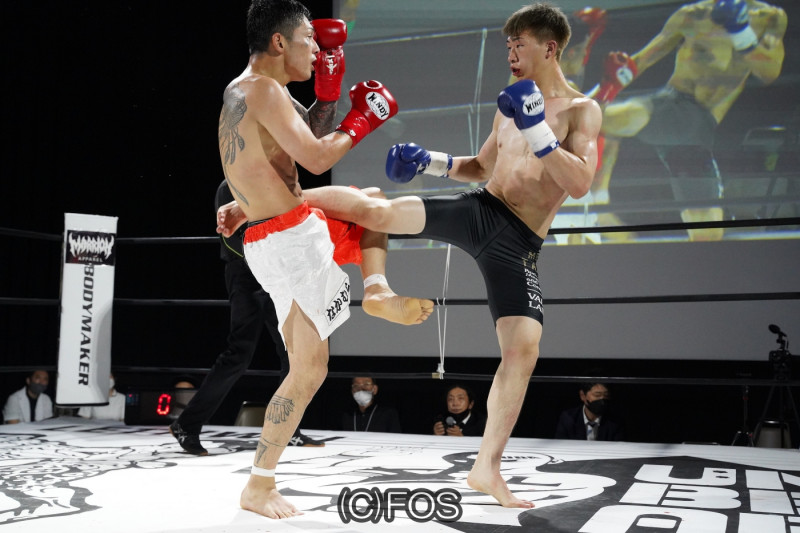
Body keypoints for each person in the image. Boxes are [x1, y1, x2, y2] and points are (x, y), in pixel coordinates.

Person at [220, 3, 601, 508]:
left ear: (550, 48)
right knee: (375, 209)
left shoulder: (581, 110)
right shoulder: (508, 105)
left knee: (523, 350)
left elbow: (580, 183)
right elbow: (480, 167)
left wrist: (539, 131)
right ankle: (377, 291)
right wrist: (429, 161)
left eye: (520, 45)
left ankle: (486, 469)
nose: (510, 54)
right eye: (508, 45)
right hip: (480, 209)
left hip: (519, 240)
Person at [215, 0, 433, 519]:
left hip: (278, 229)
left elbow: (297, 142)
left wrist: (330, 95)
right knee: (309, 370)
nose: (318, 48)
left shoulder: (247, 89)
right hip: (288, 238)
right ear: (279, 42)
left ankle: (376, 290)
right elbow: (315, 158)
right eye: (309, 38)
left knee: (370, 205)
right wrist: (363, 120)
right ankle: (259, 485)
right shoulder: (264, 90)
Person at [589, 0, 787, 241]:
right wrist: (609, 82)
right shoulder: (691, 14)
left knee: (707, 236)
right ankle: (598, 202)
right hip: (670, 104)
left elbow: (769, 72)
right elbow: (643, 59)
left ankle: (599, 205)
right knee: (604, 118)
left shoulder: (770, 17)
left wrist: (740, 30)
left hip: (698, 126)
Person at [169, 180, 326, 456]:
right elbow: (231, 238)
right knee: (239, 352)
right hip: (246, 274)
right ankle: (187, 425)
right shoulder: (230, 185)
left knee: (292, 353)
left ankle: (288, 429)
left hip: (277, 274)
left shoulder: (274, 181)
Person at [554, 380, 624, 441]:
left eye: (606, 395)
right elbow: (560, 445)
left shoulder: (615, 421)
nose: (602, 401)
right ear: (583, 395)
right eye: (597, 395)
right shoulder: (568, 418)